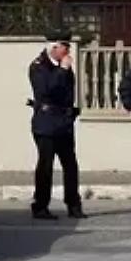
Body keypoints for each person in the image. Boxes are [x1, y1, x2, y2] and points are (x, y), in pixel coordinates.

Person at [28, 30, 85, 220]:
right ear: (54, 47)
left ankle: (73, 204)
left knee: (70, 165)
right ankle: (40, 205)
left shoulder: (65, 67)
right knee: (45, 165)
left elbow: (68, 93)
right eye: (64, 47)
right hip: (46, 123)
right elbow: (46, 91)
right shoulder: (38, 67)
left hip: (64, 123)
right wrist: (62, 70)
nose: (67, 50)